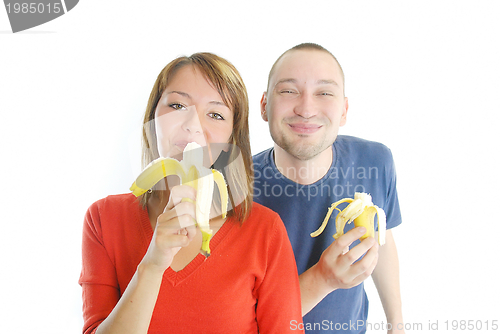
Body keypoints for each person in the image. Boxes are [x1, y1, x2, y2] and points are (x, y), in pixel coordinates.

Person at [79, 52, 304, 334]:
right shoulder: (103, 219)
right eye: (177, 105)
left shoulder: (265, 230)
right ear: (152, 119)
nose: (193, 125)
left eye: (215, 114)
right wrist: (152, 264)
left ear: (231, 140)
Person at [253, 43, 404, 334]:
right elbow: (243, 314)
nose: (306, 108)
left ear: (344, 110)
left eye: (324, 93)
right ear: (263, 106)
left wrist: (396, 325)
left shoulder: (375, 161)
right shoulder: (234, 189)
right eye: (287, 91)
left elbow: (380, 241)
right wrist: (324, 279)